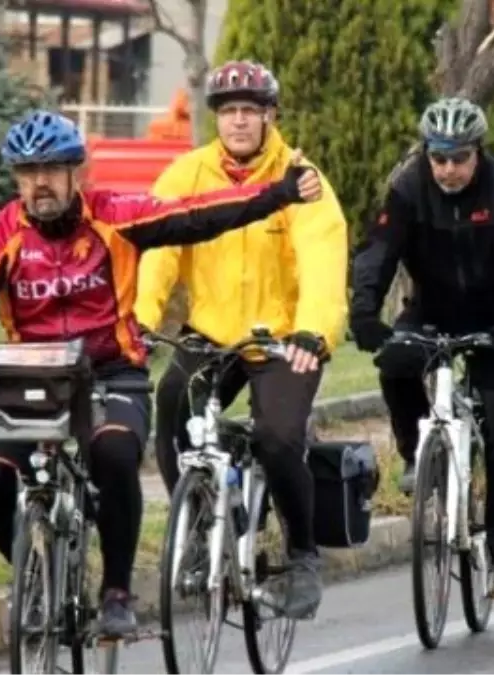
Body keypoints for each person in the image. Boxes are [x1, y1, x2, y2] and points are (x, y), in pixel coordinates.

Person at [0, 110, 323, 637]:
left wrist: (276, 195)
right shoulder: (1, 231)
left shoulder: (114, 215)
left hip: (110, 372)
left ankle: (116, 591)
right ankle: (33, 572)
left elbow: (194, 213)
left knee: (114, 452)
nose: (39, 183)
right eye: (27, 173)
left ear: (77, 173)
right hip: (32, 375)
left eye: (51, 169)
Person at [135, 60, 348, 620]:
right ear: (216, 120)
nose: (238, 122)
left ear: (270, 117)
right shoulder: (187, 175)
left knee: (279, 438)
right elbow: (157, 248)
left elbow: (324, 259)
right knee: (172, 401)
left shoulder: (302, 179)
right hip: (213, 333)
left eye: (249, 112)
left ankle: (303, 558)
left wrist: (314, 331)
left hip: (283, 339)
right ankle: (202, 517)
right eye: (228, 112)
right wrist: (138, 318)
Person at [350, 97, 494, 597]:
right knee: (394, 359)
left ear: (477, 152)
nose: (449, 169)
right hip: (433, 310)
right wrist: (365, 313)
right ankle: (418, 455)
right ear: (427, 153)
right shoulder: (409, 187)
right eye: (439, 157)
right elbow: (378, 253)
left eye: (459, 158)